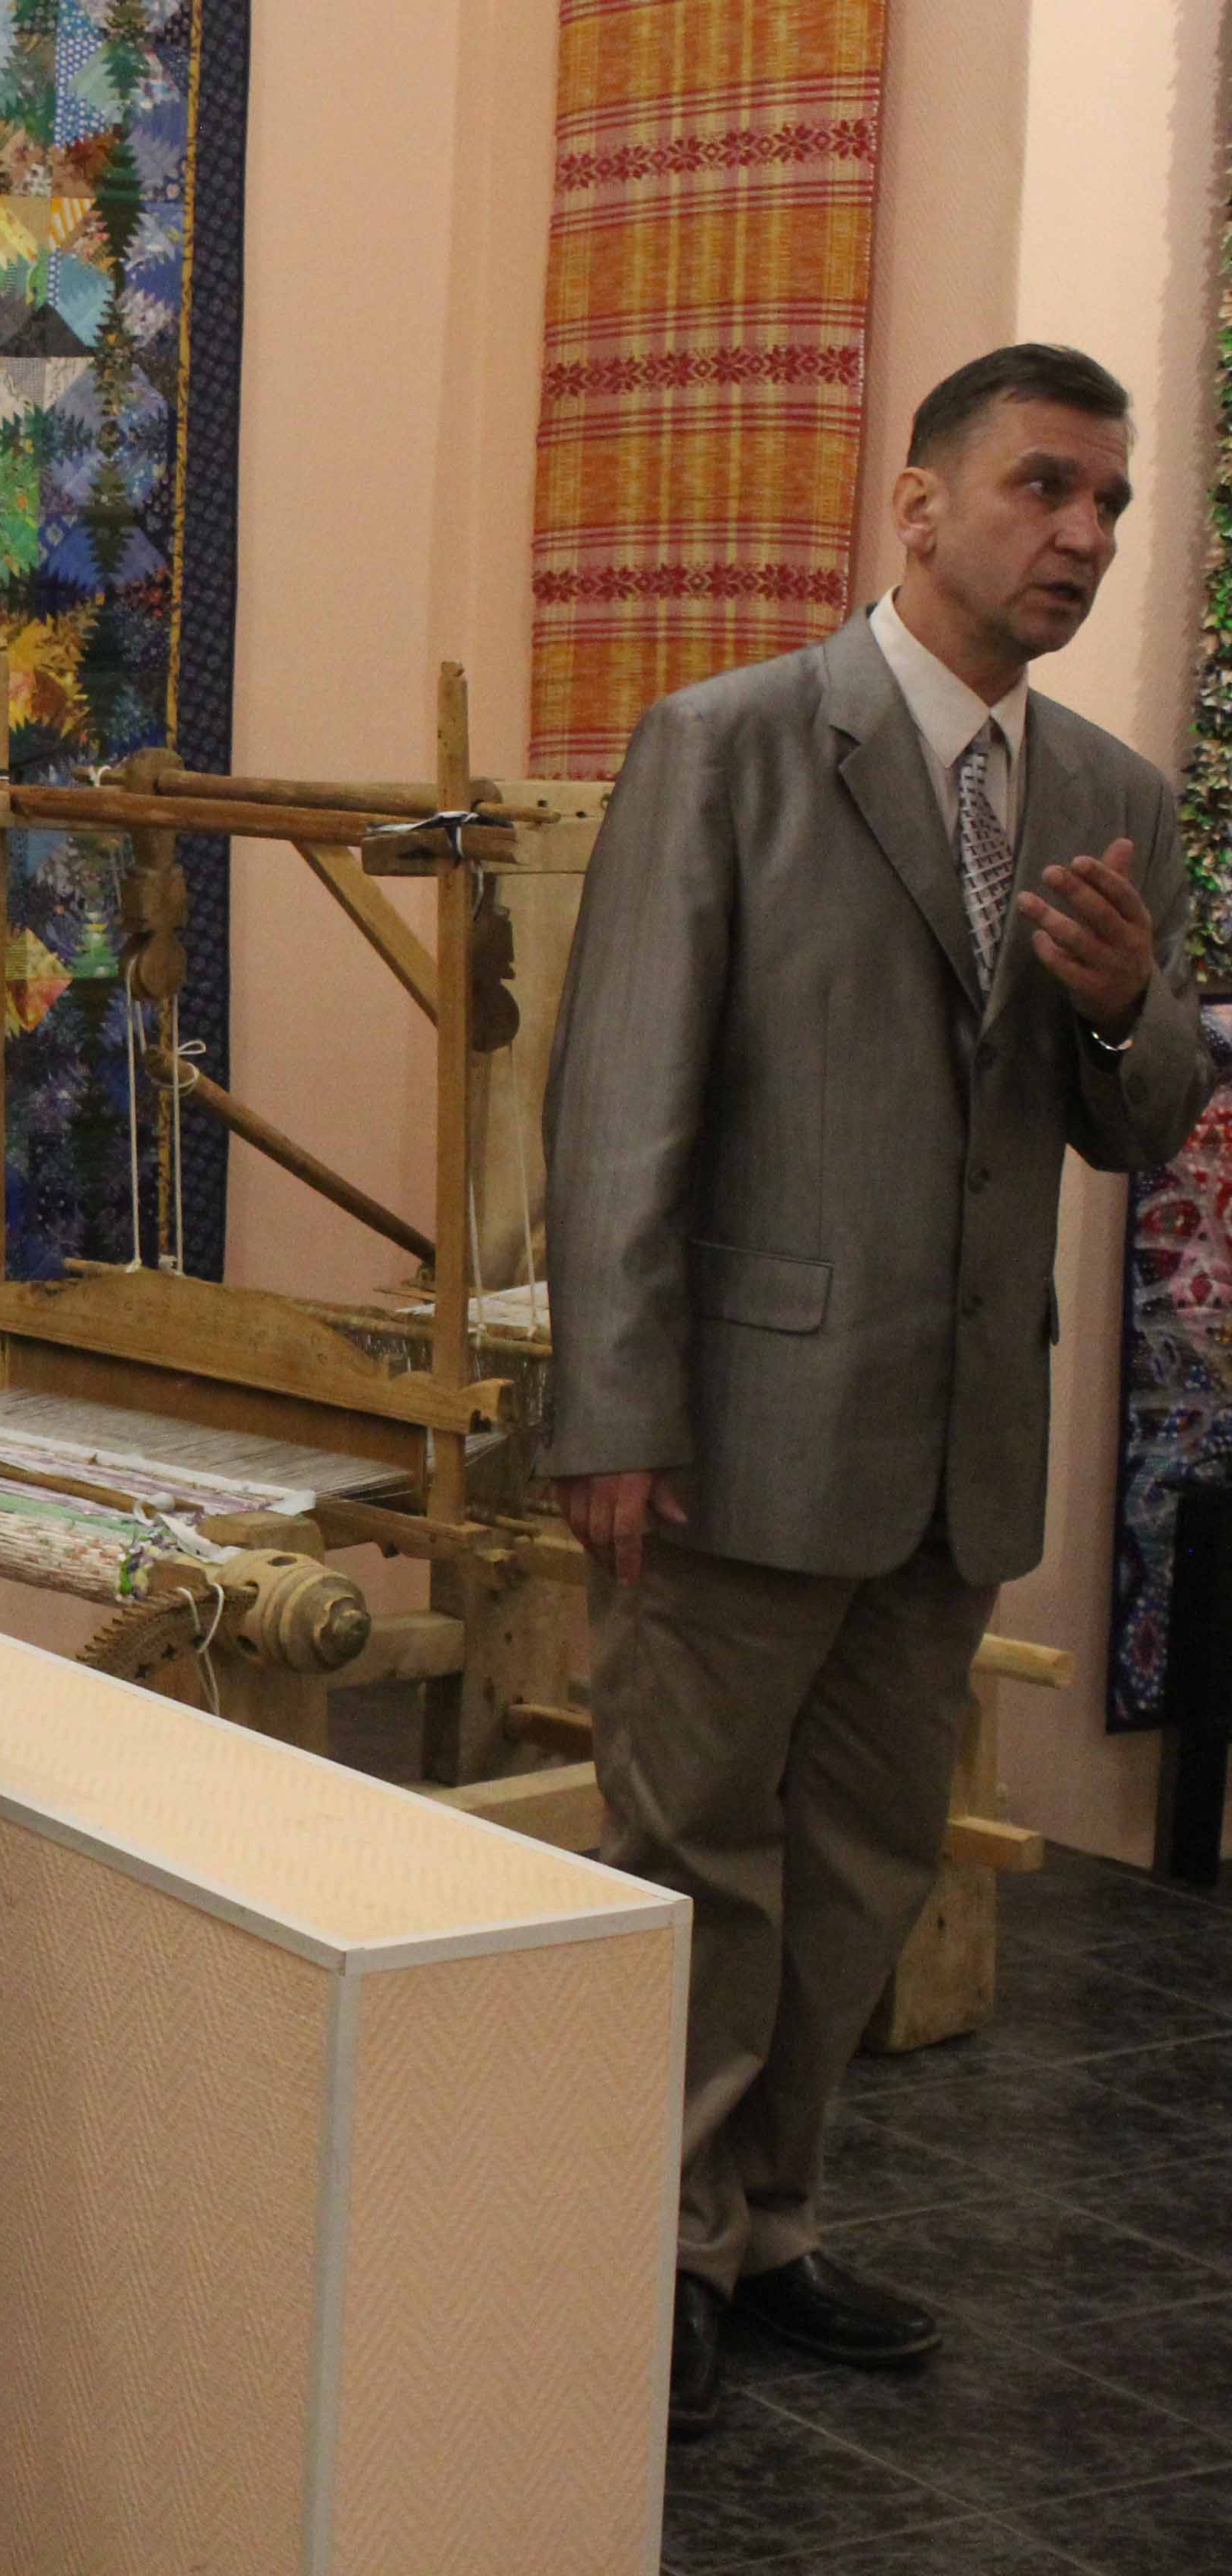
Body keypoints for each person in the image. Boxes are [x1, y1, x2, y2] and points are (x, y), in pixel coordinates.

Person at [545, 343, 1216, 2440]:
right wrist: (611, 1412)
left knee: (858, 1869)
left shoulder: (1115, 803)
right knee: (690, 1857)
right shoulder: (732, 745)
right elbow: (623, 1107)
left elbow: (1141, 1120)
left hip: (952, 1447)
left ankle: (770, 2232)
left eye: (1108, 504)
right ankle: (642, 2252)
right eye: (1043, 489)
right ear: (920, 505)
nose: (1082, 537)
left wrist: (1127, 1009)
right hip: (732, 1431)